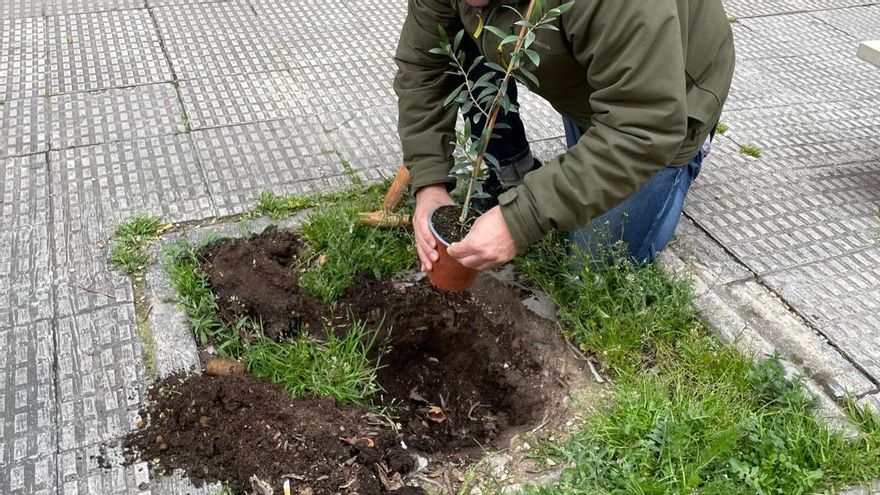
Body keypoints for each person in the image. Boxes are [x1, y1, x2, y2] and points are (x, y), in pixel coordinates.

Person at [394, 0, 735, 273]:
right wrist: (429, 184)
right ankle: (517, 167)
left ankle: (691, 150)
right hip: (594, 86)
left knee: (594, 264)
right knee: (461, 44)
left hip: (670, 96)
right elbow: (425, 64)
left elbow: (642, 124)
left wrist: (521, 219)